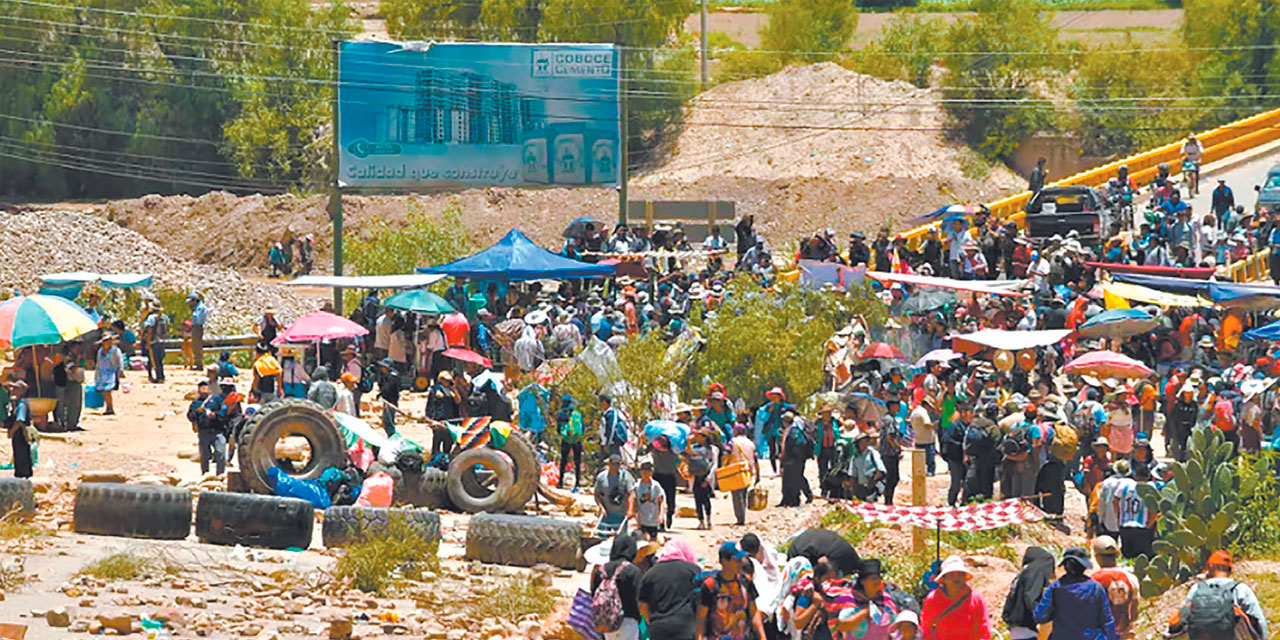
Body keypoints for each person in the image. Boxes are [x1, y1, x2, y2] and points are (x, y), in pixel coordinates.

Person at [1168, 551, 1267, 640]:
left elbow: (1185, 617)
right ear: (1230, 569)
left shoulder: (1196, 588)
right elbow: (1258, 618)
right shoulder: (1240, 589)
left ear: (1210, 568)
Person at [1034, 547, 1117, 640]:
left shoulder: (1055, 587)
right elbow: (1107, 621)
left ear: (1065, 566)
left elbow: (1040, 616)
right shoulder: (1095, 588)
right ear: (1084, 567)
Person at [697, 542, 768, 640]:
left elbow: (754, 613)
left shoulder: (745, 581)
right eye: (737, 560)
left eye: (742, 559)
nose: (742, 563)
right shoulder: (711, 586)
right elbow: (701, 620)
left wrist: (762, 637)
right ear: (724, 561)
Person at [638, 538, 700, 640]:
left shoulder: (650, 574)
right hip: (686, 628)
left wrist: (651, 621)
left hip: (659, 629)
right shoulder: (694, 570)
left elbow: (643, 605)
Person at [921, 556, 991, 640]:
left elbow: (984, 629)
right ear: (944, 578)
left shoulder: (976, 599)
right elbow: (927, 628)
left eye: (960, 574)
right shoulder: (932, 599)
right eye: (951, 575)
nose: (956, 579)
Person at [590, 533, 644, 640]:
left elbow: (593, 594)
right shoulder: (633, 571)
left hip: (607, 623)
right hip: (628, 622)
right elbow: (641, 598)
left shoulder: (601, 570)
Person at [1088, 536, 1139, 640]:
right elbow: (1134, 609)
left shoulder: (1093, 580)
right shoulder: (1131, 578)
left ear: (1097, 557)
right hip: (1122, 633)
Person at [1002, 547, 1054, 640]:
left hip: (1017, 630)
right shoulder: (1036, 572)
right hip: (1028, 631)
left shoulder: (1022, 575)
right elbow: (1030, 598)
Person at [725, 424, 760, 526]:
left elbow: (726, 454)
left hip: (735, 470)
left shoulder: (733, 442)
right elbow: (756, 460)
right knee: (743, 493)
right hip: (748, 471)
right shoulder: (751, 443)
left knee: (736, 494)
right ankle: (742, 515)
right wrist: (758, 474)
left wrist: (724, 465)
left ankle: (740, 518)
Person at [779, 412, 814, 507]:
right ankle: (787, 499)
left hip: (795, 459)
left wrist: (792, 458)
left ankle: (798, 498)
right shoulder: (789, 430)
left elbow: (796, 445)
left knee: (796, 478)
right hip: (792, 459)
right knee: (791, 478)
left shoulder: (794, 431)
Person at [594, 454, 635, 535]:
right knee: (602, 534)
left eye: (618, 464)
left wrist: (630, 509)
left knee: (621, 536)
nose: (615, 466)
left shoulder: (626, 477)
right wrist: (601, 507)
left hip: (621, 513)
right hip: (606, 513)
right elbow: (596, 494)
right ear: (609, 464)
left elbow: (631, 493)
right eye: (613, 464)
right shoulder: (602, 477)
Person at [425, 371, 463, 456]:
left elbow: (458, 401)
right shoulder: (435, 390)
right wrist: (429, 419)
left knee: (448, 444)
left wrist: (454, 390)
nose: (447, 382)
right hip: (439, 420)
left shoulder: (451, 391)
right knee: (437, 443)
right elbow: (429, 406)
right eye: (445, 380)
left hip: (451, 420)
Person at [632, 459, 668, 539]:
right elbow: (635, 503)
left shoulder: (655, 486)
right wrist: (635, 517)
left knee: (653, 541)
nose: (646, 473)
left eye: (648, 471)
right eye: (644, 471)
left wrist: (661, 515)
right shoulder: (637, 486)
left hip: (653, 520)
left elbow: (662, 500)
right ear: (641, 472)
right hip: (642, 520)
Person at [4, 379, 32, 479]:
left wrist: (12, 431)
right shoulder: (19, 403)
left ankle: (22, 475)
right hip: (20, 434)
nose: (13, 390)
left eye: (16, 388)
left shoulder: (22, 404)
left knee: (21, 454)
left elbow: (20, 420)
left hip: (20, 434)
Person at [557, 395, 585, 491]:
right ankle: (577, 483)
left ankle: (560, 482)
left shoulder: (561, 414)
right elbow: (583, 428)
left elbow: (558, 429)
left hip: (566, 440)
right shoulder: (577, 414)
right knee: (577, 462)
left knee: (563, 461)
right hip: (577, 440)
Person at [847, 432, 885, 502]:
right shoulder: (855, 457)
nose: (863, 445)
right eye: (861, 443)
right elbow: (853, 474)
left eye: (865, 442)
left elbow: (880, 470)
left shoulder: (873, 454)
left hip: (872, 488)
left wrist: (873, 481)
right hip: (860, 488)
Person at [94, 334, 124, 416]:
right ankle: (108, 407)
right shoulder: (100, 351)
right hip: (101, 372)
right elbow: (98, 362)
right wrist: (96, 374)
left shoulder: (115, 350)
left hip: (111, 372)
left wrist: (121, 370)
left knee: (108, 390)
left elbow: (120, 360)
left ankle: (110, 407)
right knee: (104, 391)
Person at [597, 394, 629, 468]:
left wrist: (608, 442)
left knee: (614, 461)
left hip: (612, 442)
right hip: (606, 442)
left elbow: (612, 428)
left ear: (605, 402)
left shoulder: (611, 413)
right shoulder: (607, 413)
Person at [139, 303, 168, 384]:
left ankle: (157, 377)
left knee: (154, 360)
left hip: (154, 341)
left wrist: (147, 342)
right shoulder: (164, 317)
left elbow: (150, 330)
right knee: (160, 359)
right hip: (162, 340)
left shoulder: (151, 318)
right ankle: (161, 376)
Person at [911, 396, 937, 477]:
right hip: (927, 440)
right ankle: (930, 472)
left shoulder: (914, 412)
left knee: (920, 459)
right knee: (930, 459)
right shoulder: (923, 412)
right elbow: (927, 425)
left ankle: (920, 472)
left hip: (918, 438)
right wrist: (935, 424)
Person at [376, 358, 401, 436]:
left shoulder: (392, 377)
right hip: (387, 400)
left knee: (388, 421)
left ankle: (392, 436)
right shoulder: (387, 375)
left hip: (390, 401)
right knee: (386, 421)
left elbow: (388, 388)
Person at [187, 292, 209, 369]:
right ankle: (198, 362)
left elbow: (197, 318)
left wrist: (192, 312)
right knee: (195, 346)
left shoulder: (200, 308)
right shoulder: (200, 307)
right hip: (196, 327)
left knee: (197, 346)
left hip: (197, 327)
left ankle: (199, 364)